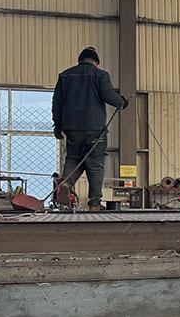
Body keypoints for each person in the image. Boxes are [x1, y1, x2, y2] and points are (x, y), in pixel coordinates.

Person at [51, 47, 127, 211]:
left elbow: (56, 102)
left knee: (73, 158)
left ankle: (66, 183)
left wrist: (57, 125)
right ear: (96, 62)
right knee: (95, 163)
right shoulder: (100, 75)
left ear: (80, 60)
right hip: (94, 129)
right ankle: (94, 203)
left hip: (71, 129)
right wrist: (121, 102)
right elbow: (108, 95)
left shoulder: (65, 76)